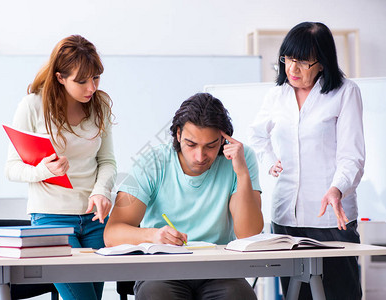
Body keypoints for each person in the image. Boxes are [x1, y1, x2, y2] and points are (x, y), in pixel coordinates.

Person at [104, 92, 263, 300]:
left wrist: (241, 173)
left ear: (224, 140)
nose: (200, 157)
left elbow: (248, 234)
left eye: (211, 146)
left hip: (219, 270)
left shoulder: (241, 158)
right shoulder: (151, 162)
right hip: (162, 270)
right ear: (178, 135)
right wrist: (153, 236)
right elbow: (112, 233)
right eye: (191, 144)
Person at [249, 22, 365, 300]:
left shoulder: (345, 93)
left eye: (302, 62)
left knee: (341, 294)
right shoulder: (277, 95)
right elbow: (256, 136)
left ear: (322, 63)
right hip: (286, 217)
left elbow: (353, 155)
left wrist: (337, 189)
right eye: (287, 59)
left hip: (331, 219)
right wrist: (269, 160)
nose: (292, 69)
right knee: (293, 295)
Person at [5, 35, 116, 300]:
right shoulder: (33, 105)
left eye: (96, 77)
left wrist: (102, 191)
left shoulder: (99, 105)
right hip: (51, 220)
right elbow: (11, 168)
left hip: (95, 221)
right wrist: (44, 170)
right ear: (60, 77)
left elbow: (108, 161)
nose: (91, 87)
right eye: (82, 81)